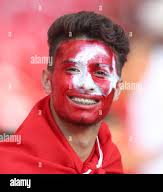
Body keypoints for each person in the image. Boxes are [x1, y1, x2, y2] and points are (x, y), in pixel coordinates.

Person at [0, 11, 130, 174]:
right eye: (73, 70)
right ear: (47, 81)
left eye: (100, 73)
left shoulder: (111, 161)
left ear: (117, 89)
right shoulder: (8, 166)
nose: (85, 84)